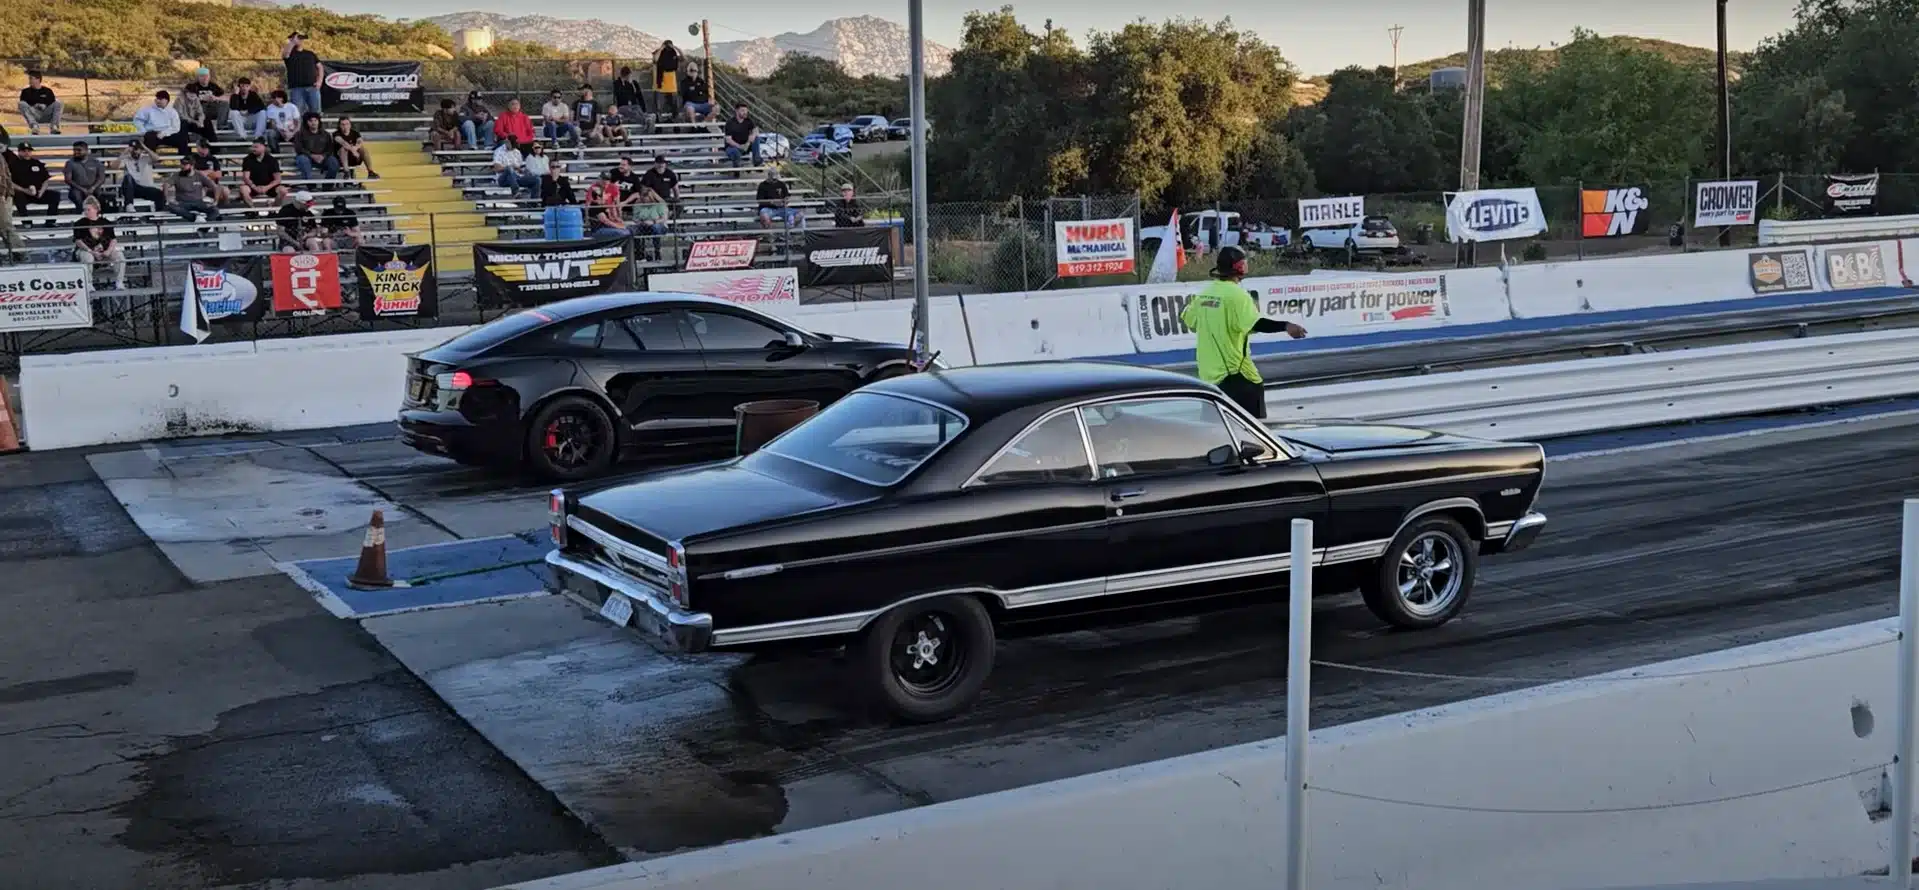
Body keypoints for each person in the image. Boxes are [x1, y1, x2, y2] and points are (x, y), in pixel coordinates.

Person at [1177, 245, 1306, 419]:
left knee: (1214, 428)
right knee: (1255, 430)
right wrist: (1286, 325)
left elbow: (1187, 317)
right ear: (1238, 267)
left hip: (1209, 379)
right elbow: (1256, 323)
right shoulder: (1238, 296)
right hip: (1237, 376)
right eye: (1244, 262)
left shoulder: (1205, 294)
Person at [70, 197, 126, 291]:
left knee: (119, 256)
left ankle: (119, 282)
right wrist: (91, 251)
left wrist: (108, 251)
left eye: (88, 209)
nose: (86, 212)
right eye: (85, 210)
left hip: (103, 250)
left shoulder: (105, 222)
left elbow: (113, 239)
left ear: (96, 209)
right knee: (88, 257)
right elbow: (78, 241)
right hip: (86, 250)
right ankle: (89, 283)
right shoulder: (79, 223)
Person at [7, 143, 58, 216]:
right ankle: (26, 221)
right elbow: (9, 182)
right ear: (19, 152)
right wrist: (25, 190)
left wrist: (41, 191)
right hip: (23, 193)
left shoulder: (37, 163)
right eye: (24, 151)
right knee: (18, 196)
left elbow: (46, 180)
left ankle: (50, 221)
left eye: (29, 151)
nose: (27, 153)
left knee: (55, 195)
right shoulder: (13, 164)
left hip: (37, 193)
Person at [165, 156, 221, 221]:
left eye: (185, 164)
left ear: (192, 166)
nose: (182, 166)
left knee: (215, 210)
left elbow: (215, 187)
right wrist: (167, 199)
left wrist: (216, 201)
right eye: (181, 164)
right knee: (172, 207)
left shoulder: (199, 175)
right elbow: (166, 185)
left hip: (199, 202)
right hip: (182, 203)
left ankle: (204, 224)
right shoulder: (177, 175)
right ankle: (195, 218)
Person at [119, 134, 166, 209]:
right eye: (133, 149)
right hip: (132, 189)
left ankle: (159, 213)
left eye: (137, 149)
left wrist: (145, 148)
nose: (135, 151)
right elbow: (113, 166)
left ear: (141, 149)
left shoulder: (146, 158)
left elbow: (157, 158)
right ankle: (129, 205)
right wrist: (124, 153)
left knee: (160, 194)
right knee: (128, 177)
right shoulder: (126, 158)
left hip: (146, 188)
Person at [283, 32, 323, 115]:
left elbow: (320, 67)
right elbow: (285, 55)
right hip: (296, 89)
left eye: (301, 38)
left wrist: (319, 81)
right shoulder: (290, 54)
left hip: (312, 87)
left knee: (316, 113)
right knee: (297, 114)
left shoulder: (310, 54)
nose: (299, 40)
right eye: (297, 38)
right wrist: (293, 42)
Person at [238, 138, 286, 205]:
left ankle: (274, 207)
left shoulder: (272, 160)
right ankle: (252, 209)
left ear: (263, 147)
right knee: (243, 189)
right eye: (252, 147)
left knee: (283, 190)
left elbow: (278, 179)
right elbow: (246, 178)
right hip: (253, 186)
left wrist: (266, 187)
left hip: (269, 187)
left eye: (256, 147)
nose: (253, 149)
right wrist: (254, 187)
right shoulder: (247, 159)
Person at [292, 112, 338, 181]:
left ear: (319, 121)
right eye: (310, 121)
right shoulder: (299, 134)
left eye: (315, 120)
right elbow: (299, 148)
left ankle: (328, 185)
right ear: (306, 122)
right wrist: (312, 156)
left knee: (333, 162)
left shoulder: (326, 134)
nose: (313, 123)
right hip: (306, 158)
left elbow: (330, 148)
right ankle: (311, 185)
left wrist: (323, 156)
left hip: (322, 158)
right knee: (302, 159)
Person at [63, 142, 108, 213]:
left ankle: (99, 214)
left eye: (79, 150)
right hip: (77, 188)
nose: (76, 152)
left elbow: (101, 178)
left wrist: (93, 188)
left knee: (100, 195)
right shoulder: (70, 163)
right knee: (76, 195)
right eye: (74, 150)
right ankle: (82, 213)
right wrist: (83, 189)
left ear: (86, 150)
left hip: (94, 187)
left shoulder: (96, 162)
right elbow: (68, 180)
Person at [491, 135, 539, 200]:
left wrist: (522, 170)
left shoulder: (517, 152)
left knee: (537, 179)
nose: (513, 148)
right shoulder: (499, 151)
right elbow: (496, 168)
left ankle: (534, 201)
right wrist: (511, 167)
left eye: (514, 146)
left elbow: (520, 168)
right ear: (507, 142)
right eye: (512, 146)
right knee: (509, 169)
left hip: (517, 177)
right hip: (503, 179)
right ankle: (516, 192)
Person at [188, 139, 232, 205]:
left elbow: (218, 174)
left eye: (207, 147)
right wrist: (209, 172)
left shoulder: (213, 159)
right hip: (198, 185)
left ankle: (225, 207)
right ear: (198, 147)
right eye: (203, 147)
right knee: (200, 191)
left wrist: (202, 174)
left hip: (213, 185)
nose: (205, 149)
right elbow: (191, 173)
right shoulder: (192, 158)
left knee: (225, 190)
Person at [19, 71, 62, 136]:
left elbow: (52, 102)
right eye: (29, 79)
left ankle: (54, 127)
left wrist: (45, 105)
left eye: (31, 78)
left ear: (38, 79)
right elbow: (24, 105)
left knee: (58, 103)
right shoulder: (25, 91)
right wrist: (34, 106)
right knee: (21, 103)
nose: (29, 81)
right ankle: (34, 126)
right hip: (34, 114)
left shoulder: (48, 91)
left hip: (46, 114)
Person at [721, 103, 759, 168]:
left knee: (756, 138)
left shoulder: (748, 121)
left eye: (746, 111)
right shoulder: (730, 122)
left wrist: (752, 136)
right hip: (733, 147)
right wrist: (740, 146)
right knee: (735, 152)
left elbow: (756, 130)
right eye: (743, 110)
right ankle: (737, 167)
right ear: (736, 111)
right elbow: (728, 140)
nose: (745, 112)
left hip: (745, 146)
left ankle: (757, 160)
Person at [651, 40, 681, 117]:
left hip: (672, 86)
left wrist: (675, 47)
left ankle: (675, 122)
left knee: (674, 108)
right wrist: (661, 48)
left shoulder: (673, 53)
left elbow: (683, 57)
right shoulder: (659, 52)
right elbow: (655, 60)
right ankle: (659, 123)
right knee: (659, 109)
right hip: (660, 86)